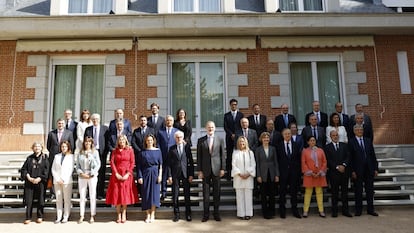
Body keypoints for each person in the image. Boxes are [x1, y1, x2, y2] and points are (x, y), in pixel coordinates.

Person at [105, 135, 139, 223]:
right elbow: (112, 162)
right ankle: (118, 214)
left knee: (125, 195)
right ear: (118, 142)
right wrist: (116, 173)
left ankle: (124, 213)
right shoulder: (114, 151)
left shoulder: (130, 150)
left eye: (123, 140)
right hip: (116, 175)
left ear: (126, 141)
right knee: (117, 195)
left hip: (126, 175)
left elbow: (132, 162)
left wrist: (128, 173)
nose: (122, 142)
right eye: (120, 140)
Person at [197, 121, 226, 222]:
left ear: (215, 128)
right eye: (209, 127)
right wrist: (199, 170)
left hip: (217, 170)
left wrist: (223, 168)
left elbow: (223, 155)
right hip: (205, 170)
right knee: (206, 194)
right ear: (206, 128)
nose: (210, 129)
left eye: (212, 127)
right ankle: (206, 215)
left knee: (216, 193)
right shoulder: (201, 140)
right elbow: (199, 157)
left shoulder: (220, 140)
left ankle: (216, 214)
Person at [349, 124, 379, 217]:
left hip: (369, 169)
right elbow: (350, 158)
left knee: (370, 190)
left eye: (361, 130)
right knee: (358, 191)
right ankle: (358, 210)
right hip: (357, 170)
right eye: (358, 130)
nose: (360, 131)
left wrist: (375, 168)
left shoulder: (368, 141)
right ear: (354, 131)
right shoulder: (351, 142)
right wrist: (352, 171)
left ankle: (371, 209)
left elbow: (373, 156)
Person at [324, 129, 352, 217]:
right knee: (334, 193)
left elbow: (348, 156)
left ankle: (345, 211)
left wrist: (343, 165)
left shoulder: (344, 145)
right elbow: (328, 160)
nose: (335, 137)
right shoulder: (327, 147)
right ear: (330, 137)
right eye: (333, 135)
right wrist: (337, 167)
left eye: (336, 135)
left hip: (344, 172)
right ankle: (334, 211)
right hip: (333, 173)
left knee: (345, 193)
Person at [167, 131, 194, 222]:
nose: (179, 139)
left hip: (186, 174)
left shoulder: (187, 148)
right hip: (175, 174)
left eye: (180, 137)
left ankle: (188, 214)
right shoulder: (171, 149)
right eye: (177, 137)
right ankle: (176, 214)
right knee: (175, 195)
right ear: (175, 138)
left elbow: (191, 162)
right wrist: (169, 176)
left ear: (183, 138)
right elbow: (168, 164)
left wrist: (191, 175)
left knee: (187, 195)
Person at [21, 142, 49, 224]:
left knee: (41, 200)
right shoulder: (29, 158)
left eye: (39, 146)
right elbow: (23, 169)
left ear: (41, 148)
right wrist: (28, 177)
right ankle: (28, 217)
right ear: (33, 148)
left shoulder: (45, 158)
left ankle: (40, 216)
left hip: (40, 182)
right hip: (30, 182)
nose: (37, 148)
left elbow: (46, 170)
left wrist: (40, 178)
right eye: (35, 146)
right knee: (29, 200)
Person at [47, 118, 75, 201]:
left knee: (64, 172)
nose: (60, 125)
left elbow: (72, 145)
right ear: (57, 124)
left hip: (65, 156)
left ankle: (64, 191)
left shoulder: (69, 133)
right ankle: (53, 193)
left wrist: (68, 154)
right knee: (53, 174)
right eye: (59, 123)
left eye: (62, 123)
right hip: (54, 156)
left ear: (64, 124)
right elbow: (48, 145)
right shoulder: (51, 133)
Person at [137, 134, 162, 223]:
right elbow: (139, 166)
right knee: (146, 194)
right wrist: (139, 176)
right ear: (145, 142)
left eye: (151, 140)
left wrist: (160, 175)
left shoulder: (158, 151)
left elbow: (160, 165)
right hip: (145, 173)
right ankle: (147, 214)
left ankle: (153, 214)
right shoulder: (142, 152)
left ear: (153, 141)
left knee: (154, 194)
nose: (149, 142)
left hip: (155, 173)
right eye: (148, 140)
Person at [277, 128, 302, 219]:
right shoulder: (279, 146)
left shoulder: (296, 145)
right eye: (286, 134)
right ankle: (282, 212)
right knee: (282, 193)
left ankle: (295, 211)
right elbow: (278, 160)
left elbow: (298, 159)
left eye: (289, 134)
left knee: (293, 193)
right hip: (283, 173)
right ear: (283, 135)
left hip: (293, 173)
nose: (287, 135)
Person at [84, 113, 109, 200]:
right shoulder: (88, 129)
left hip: (101, 153)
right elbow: (85, 141)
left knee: (101, 173)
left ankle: (100, 194)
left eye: (97, 119)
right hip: (91, 152)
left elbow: (107, 141)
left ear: (99, 119)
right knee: (90, 172)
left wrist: (106, 152)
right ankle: (90, 193)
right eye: (93, 119)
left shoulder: (105, 129)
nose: (95, 121)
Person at [76, 137, 101, 224]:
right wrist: (81, 173)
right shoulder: (80, 153)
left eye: (89, 142)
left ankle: (92, 215)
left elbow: (98, 164)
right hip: (82, 176)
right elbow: (77, 166)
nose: (87, 143)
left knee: (92, 195)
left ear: (91, 143)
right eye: (86, 142)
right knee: (82, 196)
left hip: (92, 175)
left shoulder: (95, 152)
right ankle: (82, 215)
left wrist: (92, 173)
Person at [301, 136, 328, 218]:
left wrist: (320, 172)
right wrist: (310, 172)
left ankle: (321, 210)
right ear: (308, 142)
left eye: (314, 140)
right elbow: (303, 162)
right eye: (311, 140)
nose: (312, 142)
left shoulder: (320, 150)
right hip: (309, 175)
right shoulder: (305, 151)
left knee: (319, 193)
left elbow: (324, 162)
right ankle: (305, 211)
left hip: (319, 175)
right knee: (308, 193)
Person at [255, 132, 279, 219]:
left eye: (267, 138)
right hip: (262, 174)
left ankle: (272, 212)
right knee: (264, 195)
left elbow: (276, 162)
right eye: (264, 138)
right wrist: (258, 175)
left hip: (272, 174)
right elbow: (257, 163)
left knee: (272, 194)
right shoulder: (258, 150)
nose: (266, 139)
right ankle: (265, 213)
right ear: (261, 139)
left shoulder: (273, 149)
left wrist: (277, 174)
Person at [232, 136, 256, 220]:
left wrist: (248, 174)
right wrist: (239, 173)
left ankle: (248, 213)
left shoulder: (250, 153)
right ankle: (241, 214)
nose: (242, 143)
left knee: (248, 196)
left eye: (243, 141)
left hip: (248, 177)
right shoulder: (235, 152)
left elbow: (253, 164)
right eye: (240, 142)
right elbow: (233, 164)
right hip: (239, 178)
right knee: (240, 196)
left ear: (246, 142)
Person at [51, 141, 74, 224]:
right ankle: (59, 216)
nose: (63, 148)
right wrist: (58, 179)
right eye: (62, 146)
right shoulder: (57, 156)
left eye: (65, 146)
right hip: (57, 181)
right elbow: (53, 169)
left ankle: (65, 217)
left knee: (67, 200)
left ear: (68, 147)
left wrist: (63, 179)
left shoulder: (71, 157)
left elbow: (70, 169)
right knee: (58, 200)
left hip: (67, 181)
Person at [157, 115, 178, 200]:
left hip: (173, 157)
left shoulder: (177, 131)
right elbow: (158, 143)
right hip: (164, 155)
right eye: (167, 120)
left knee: (173, 175)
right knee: (164, 175)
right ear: (165, 122)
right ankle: (164, 192)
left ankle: (174, 193)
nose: (169, 122)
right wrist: (159, 153)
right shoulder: (160, 132)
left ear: (173, 122)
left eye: (170, 120)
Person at [223, 99, 244, 179]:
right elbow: (225, 127)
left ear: (237, 105)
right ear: (230, 105)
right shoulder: (226, 115)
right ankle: (229, 173)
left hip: (238, 138)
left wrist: (236, 134)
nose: (234, 106)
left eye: (235, 104)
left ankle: (238, 173)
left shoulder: (240, 115)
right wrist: (231, 134)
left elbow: (241, 125)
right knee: (229, 155)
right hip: (229, 138)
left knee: (238, 155)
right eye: (232, 104)